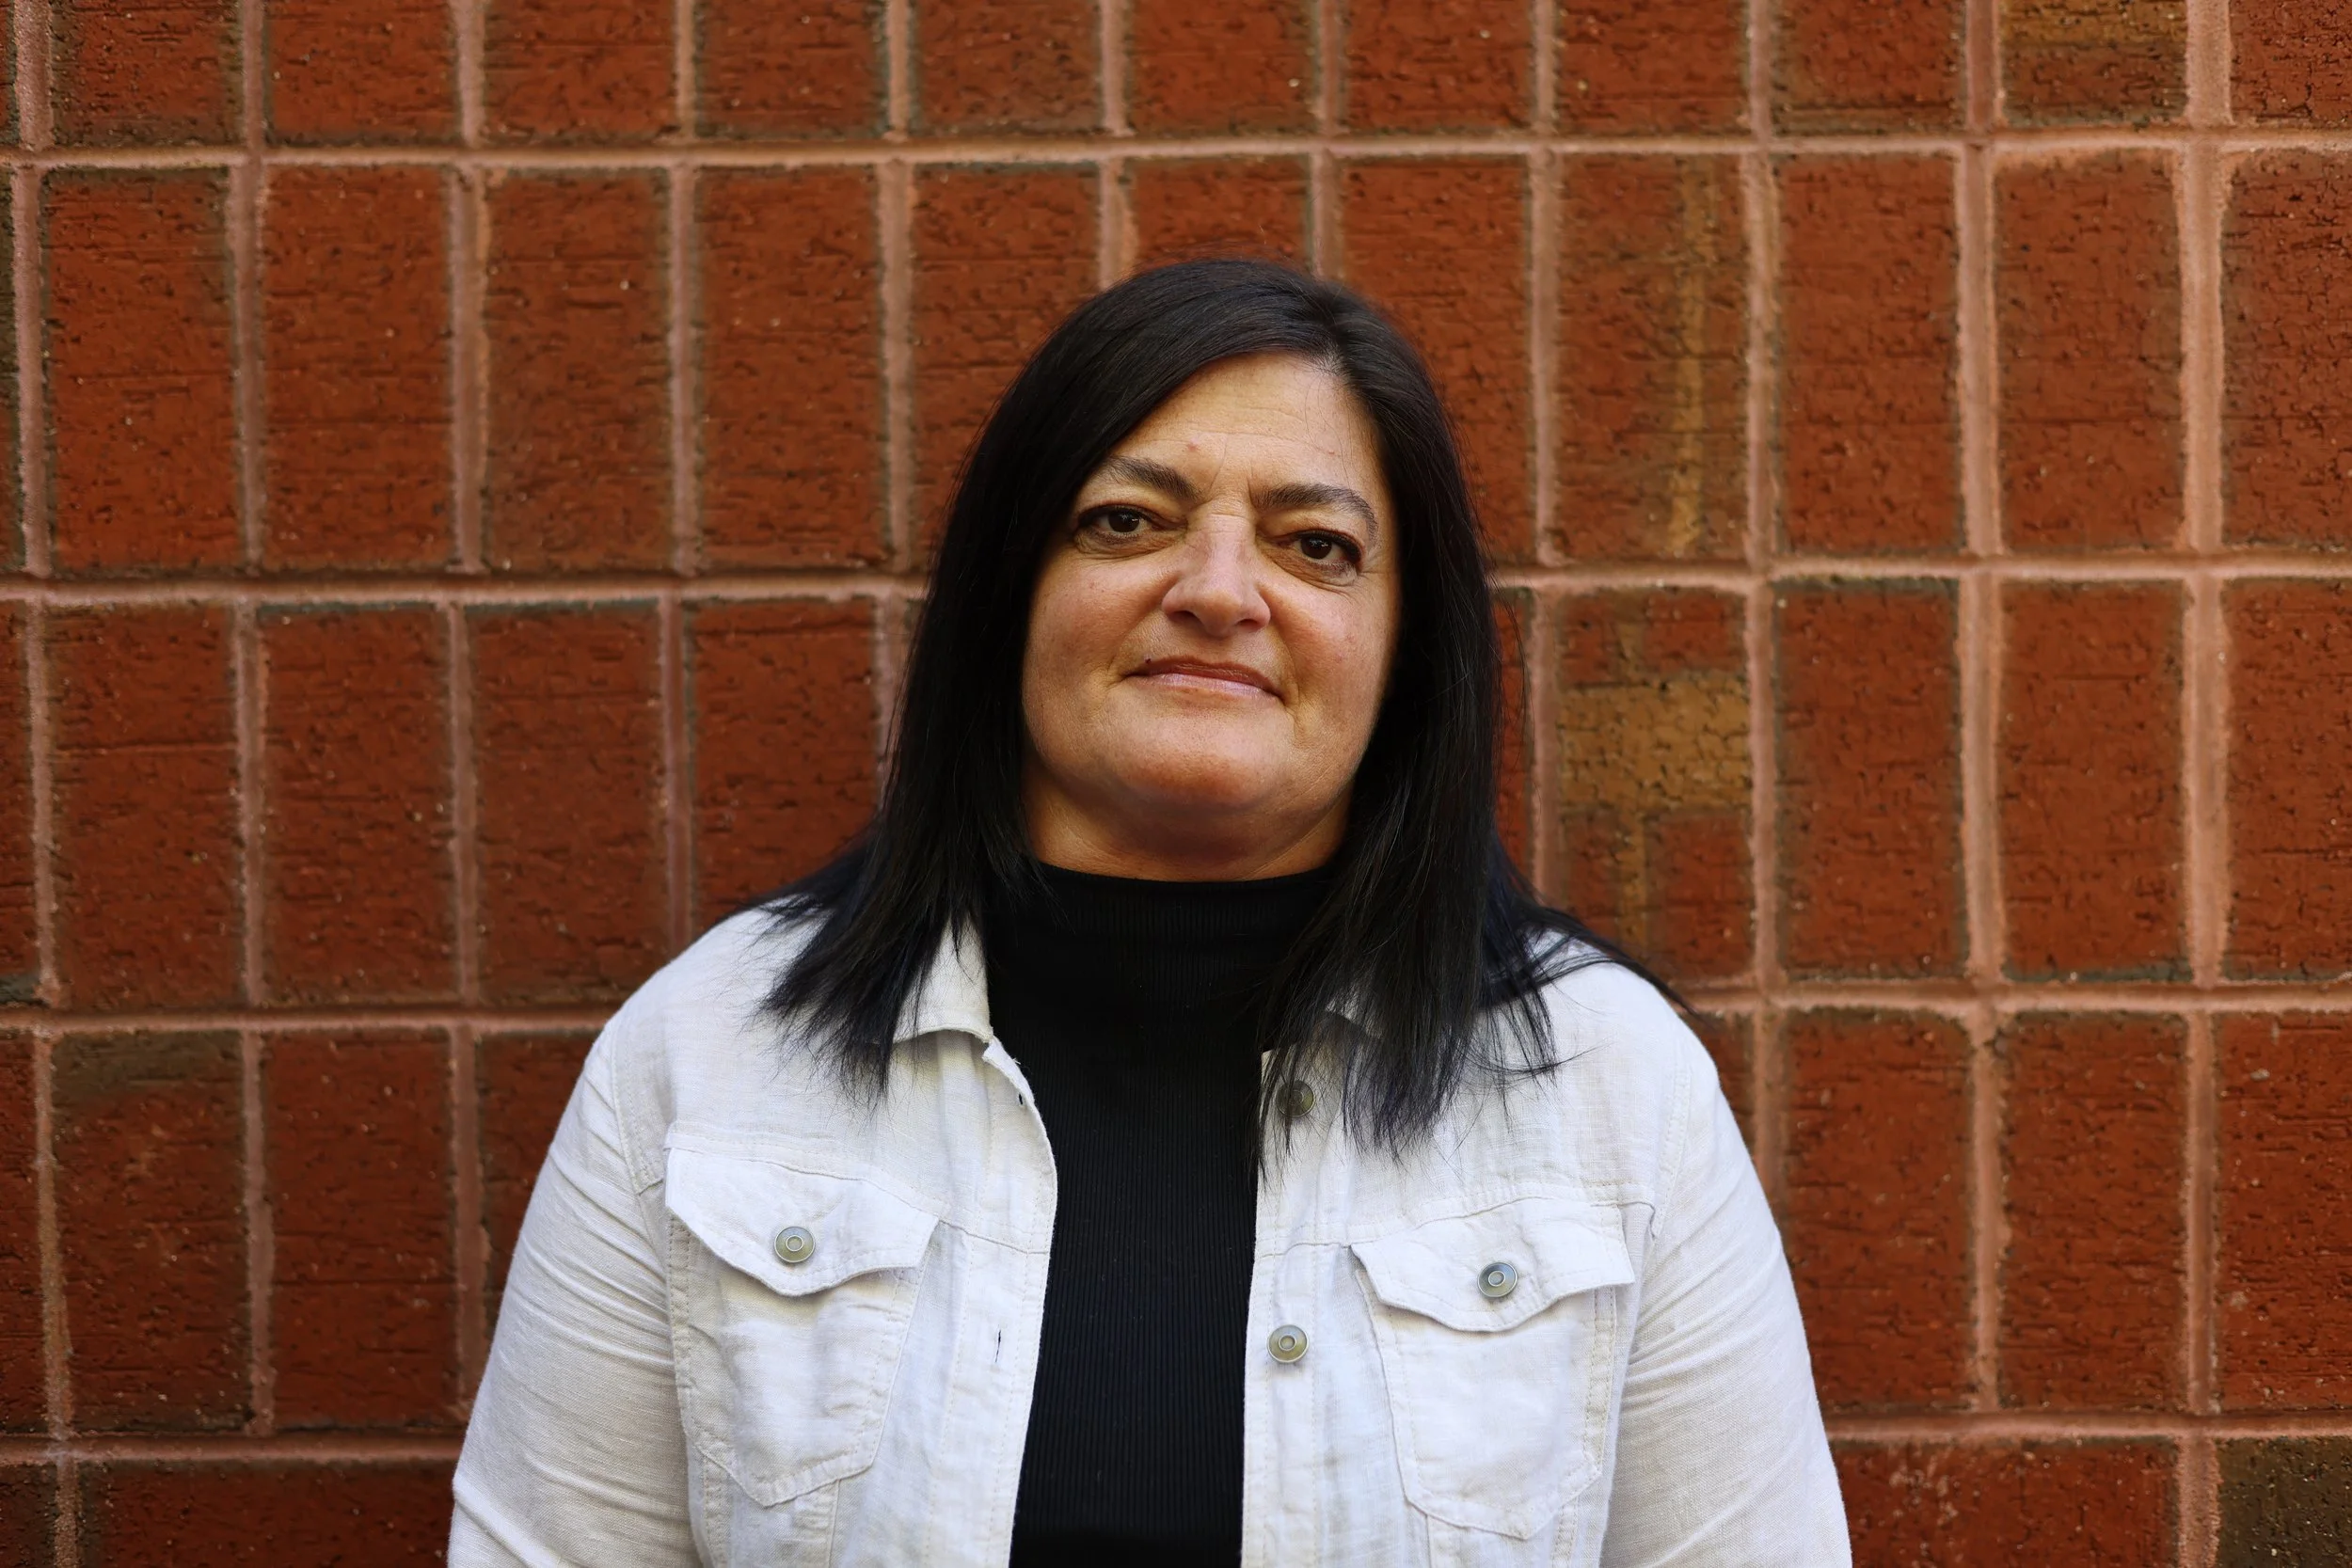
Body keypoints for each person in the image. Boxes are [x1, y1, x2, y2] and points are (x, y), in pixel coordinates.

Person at [449, 259, 1850, 1567]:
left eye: (1315, 544)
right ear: (1010, 593)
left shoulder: (1606, 1093)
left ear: (1406, 650)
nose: (1219, 591)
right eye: (1128, 521)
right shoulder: (710, 1062)